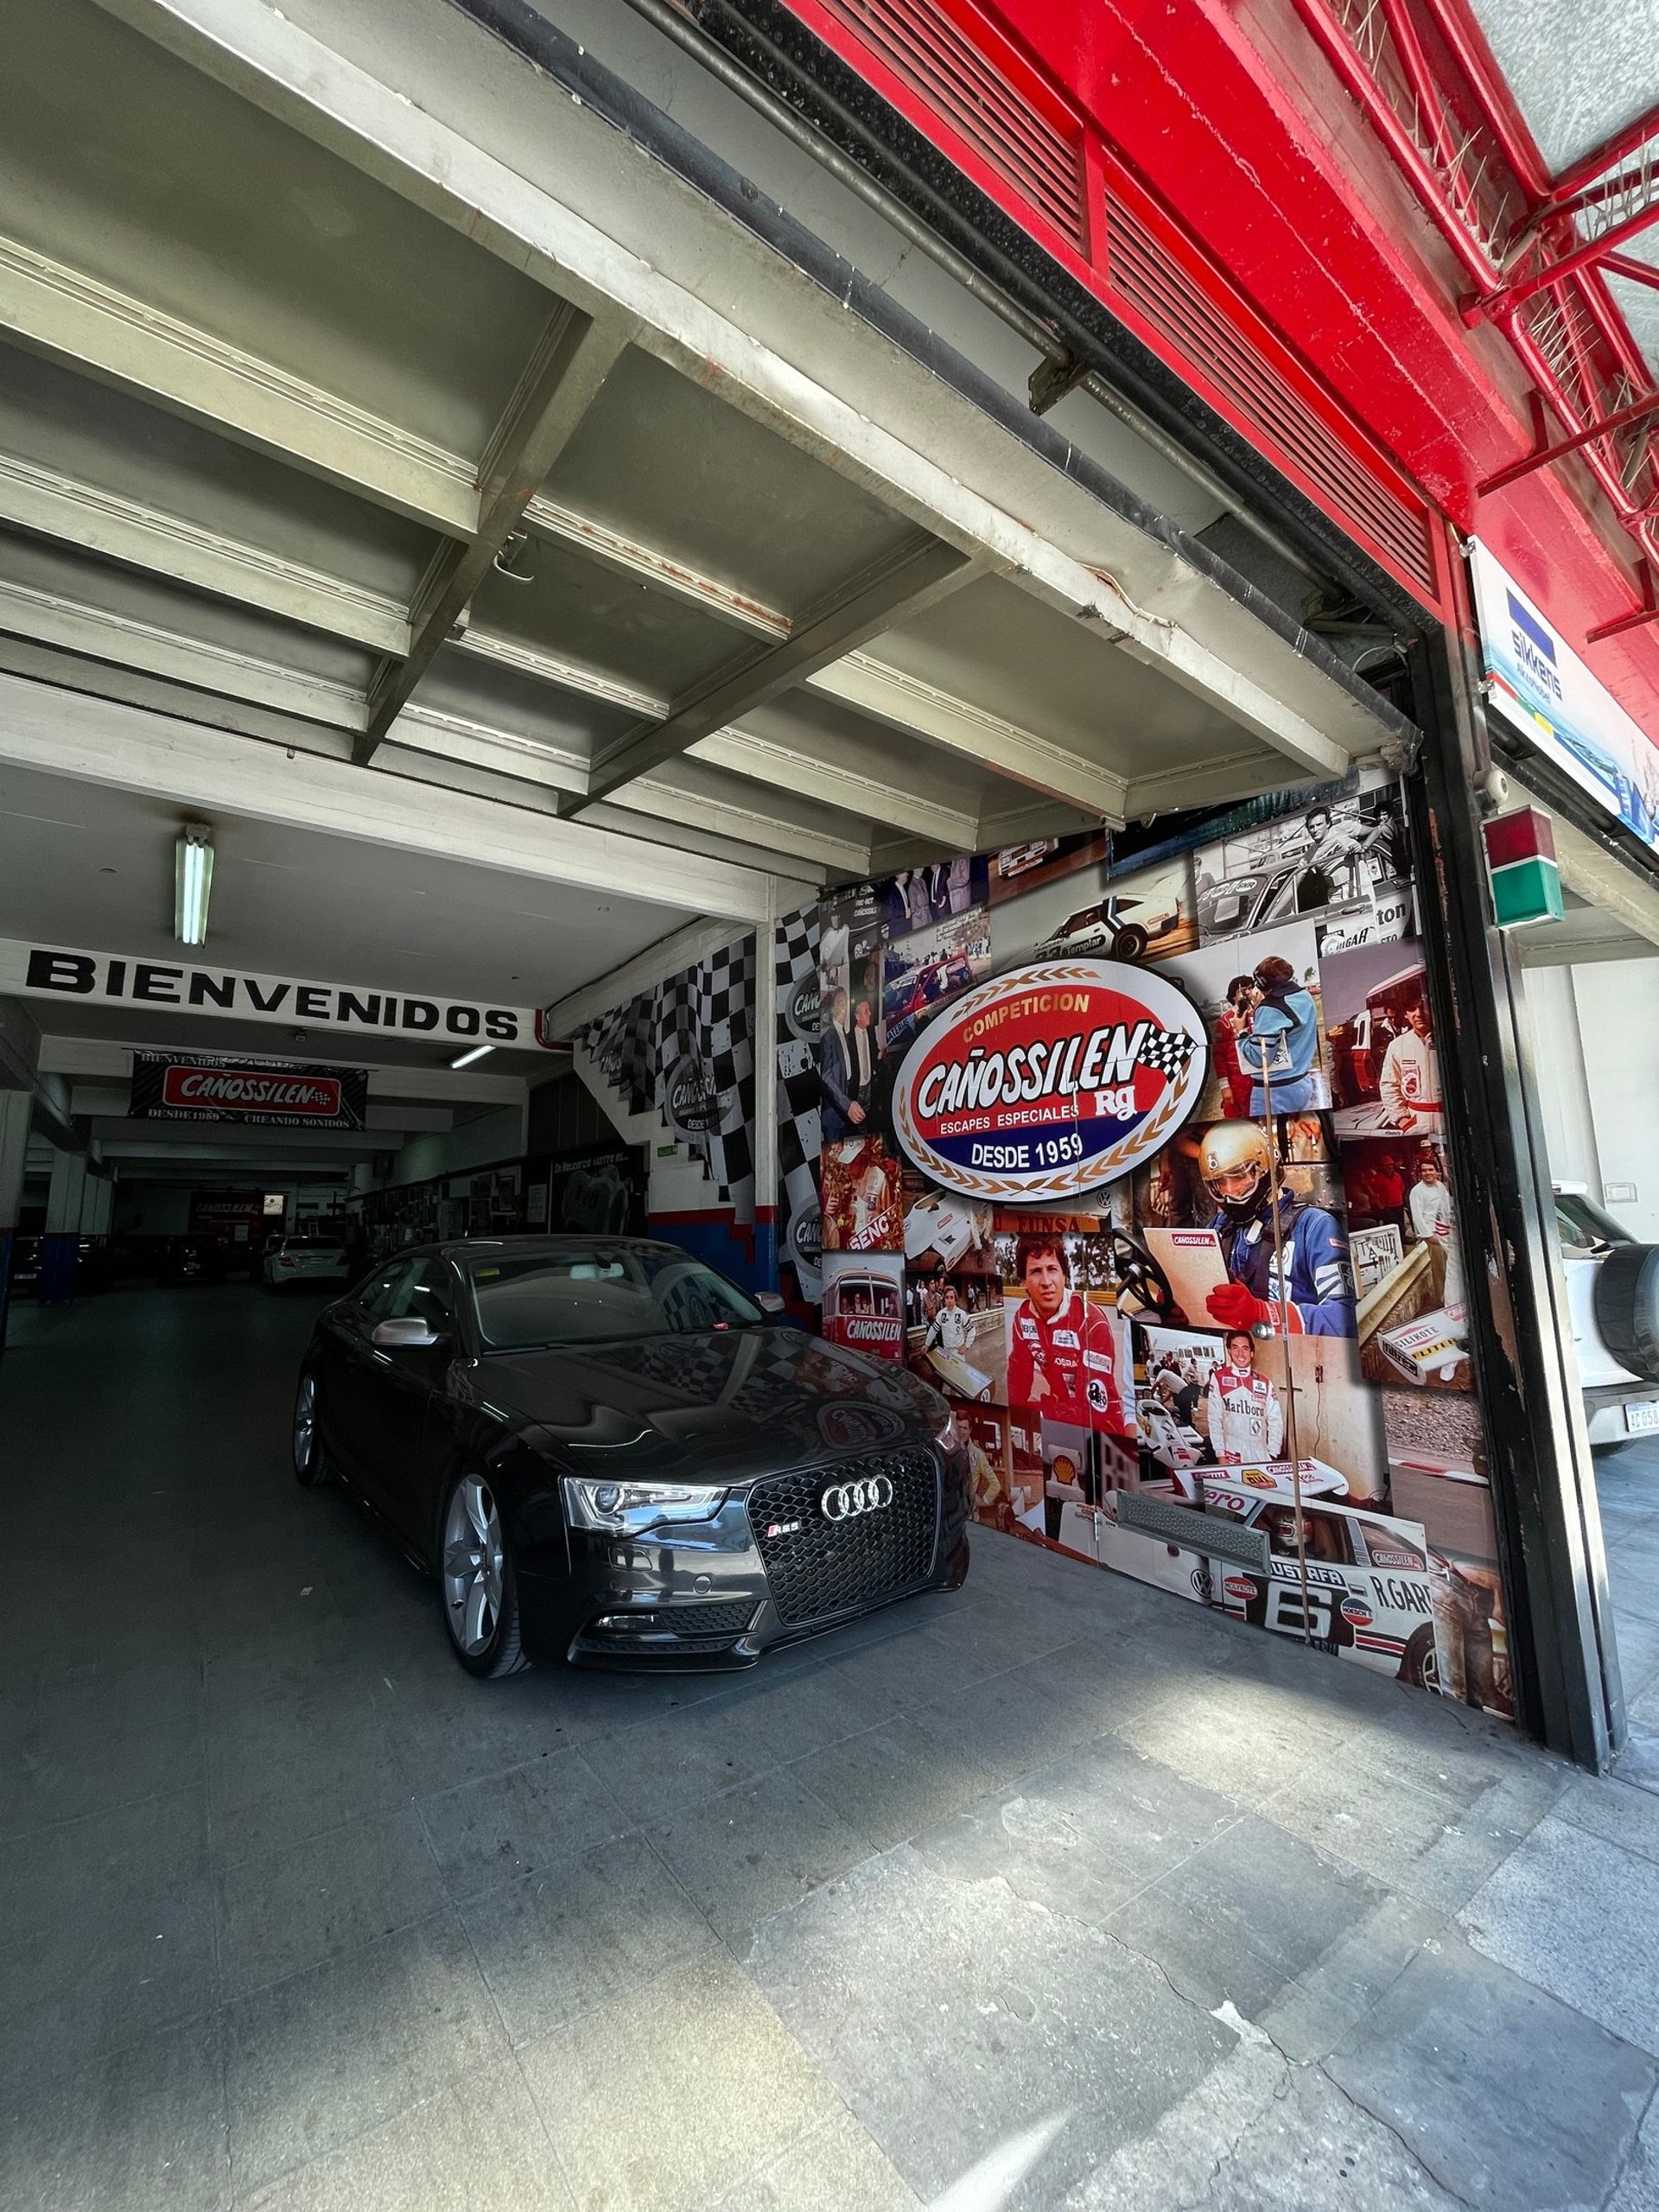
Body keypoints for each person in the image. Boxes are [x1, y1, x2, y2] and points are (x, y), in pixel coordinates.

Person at [1198, 1120, 1356, 1337]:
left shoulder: (1314, 1227)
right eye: (1220, 1183)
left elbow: (1344, 1319)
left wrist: (1263, 1313)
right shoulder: (1219, 1227)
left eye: (1239, 1176)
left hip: (1298, 1359)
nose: (1230, 1191)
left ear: (1266, 1168)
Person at [1005, 1235, 1127, 1431]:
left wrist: (1045, 1411)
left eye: (1052, 1269)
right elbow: (1017, 1383)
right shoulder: (1022, 1319)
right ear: (1023, 1282)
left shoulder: (1092, 1321)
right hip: (1059, 1413)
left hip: (1102, 1423)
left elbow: (1093, 1406)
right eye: (1036, 1271)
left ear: (1064, 1277)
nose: (1046, 1281)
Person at [1238, 956, 1322, 1116]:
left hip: (1275, 1092)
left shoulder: (1270, 1008)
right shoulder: (1304, 996)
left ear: (1261, 983)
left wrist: (1241, 1032)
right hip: (1301, 1082)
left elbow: (1259, 1057)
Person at [1205, 1328, 1286, 1463]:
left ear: (1252, 1353)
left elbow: (1275, 1420)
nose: (1240, 1353)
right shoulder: (1219, 1377)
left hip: (1260, 1452)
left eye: (1245, 1348)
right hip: (1231, 1451)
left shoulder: (1264, 1381)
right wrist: (1220, 1453)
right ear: (1229, 1351)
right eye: (1235, 1348)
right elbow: (1214, 1418)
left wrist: (1272, 1453)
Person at [1408, 1149, 1465, 1311]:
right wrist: (1428, 1235)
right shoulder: (1417, 1191)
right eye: (1424, 1170)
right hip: (1432, 1233)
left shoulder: (1441, 1186)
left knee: (1451, 1266)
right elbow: (1417, 1215)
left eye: (1430, 1170)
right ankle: (1442, 1300)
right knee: (1439, 1268)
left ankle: (1453, 1298)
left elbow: (1447, 1208)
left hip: (1446, 1231)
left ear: (1437, 1172)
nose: (1428, 1173)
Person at [817, 988, 876, 1140]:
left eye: (846, 1004)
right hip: (834, 1114)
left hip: (846, 1110)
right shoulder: (828, 1036)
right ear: (832, 1009)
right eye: (840, 1003)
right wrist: (847, 1104)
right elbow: (826, 1077)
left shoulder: (842, 1033)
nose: (844, 1008)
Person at [1377, 998, 1442, 1130]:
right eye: (1412, 1009)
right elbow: (1389, 1084)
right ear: (1406, 1014)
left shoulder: (1451, 1038)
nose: (1419, 1014)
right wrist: (1401, 1118)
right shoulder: (1397, 1045)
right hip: (1417, 1124)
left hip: (1450, 1120)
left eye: (1424, 1007)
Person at [1212, 976, 1256, 1117]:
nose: (1248, 993)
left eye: (1250, 988)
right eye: (1243, 990)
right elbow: (1219, 1056)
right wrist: (1224, 1086)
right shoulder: (1224, 1022)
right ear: (1234, 995)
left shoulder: (1257, 1014)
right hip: (1237, 1080)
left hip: (1259, 1077)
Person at [925, 1281, 974, 1358]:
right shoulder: (941, 1314)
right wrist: (926, 1345)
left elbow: (972, 1330)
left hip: (958, 1352)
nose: (949, 1300)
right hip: (946, 1352)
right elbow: (933, 1330)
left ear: (955, 1300)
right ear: (944, 1299)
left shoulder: (962, 1314)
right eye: (947, 1297)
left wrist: (966, 1346)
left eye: (952, 1297)